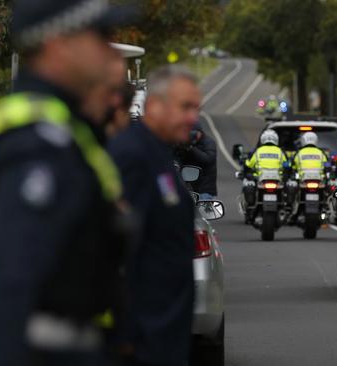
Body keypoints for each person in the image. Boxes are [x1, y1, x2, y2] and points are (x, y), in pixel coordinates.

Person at [0, 1, 136, 365]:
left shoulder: (62, 129)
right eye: (101, 35)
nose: (110, 49)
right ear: (57, 44)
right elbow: (9, 287)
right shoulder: (34, 143)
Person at [107, 65, 200, 366]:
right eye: (185, 107)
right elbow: (116, 252)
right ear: (155, 106)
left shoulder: (158, 155)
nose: (193, 118)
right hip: (142, 340)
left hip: (164, 335)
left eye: (196, 108)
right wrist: (126, 338)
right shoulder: (132, 156)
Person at [175, 123, 218, 199]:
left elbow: (208, 159)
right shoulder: (183, 142)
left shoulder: (208, 142)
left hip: (204, 188)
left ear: (200, 132)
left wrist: (191, 148)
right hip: (187, 186)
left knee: (202, 209)